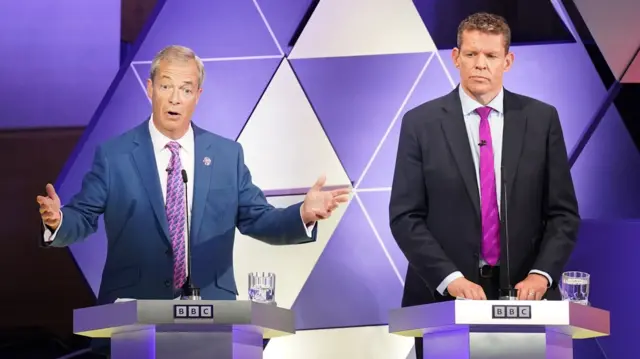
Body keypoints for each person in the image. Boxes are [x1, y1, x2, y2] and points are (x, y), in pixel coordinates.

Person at [37, 45, 350, 356]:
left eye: (185, 89)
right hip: (132, 319)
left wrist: (303, 215)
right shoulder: (115, 155)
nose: (175, 98)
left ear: (198, 95)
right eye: (166, 86)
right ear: (150, 89)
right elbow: (83, 216)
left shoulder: (227, 155)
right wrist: (59, 221)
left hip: (215, 318)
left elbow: (258, 218)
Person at [389, 12, 580, 356]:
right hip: (443, 297)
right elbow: (406, 217)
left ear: (507, 61)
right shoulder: (421, 123)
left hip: (527, 296)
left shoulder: (541, 119)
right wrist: (451, 280)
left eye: (491, 56)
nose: (480, 64)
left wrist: (541, 275)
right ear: (456, 57)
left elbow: (562, 214)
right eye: (472, 54)